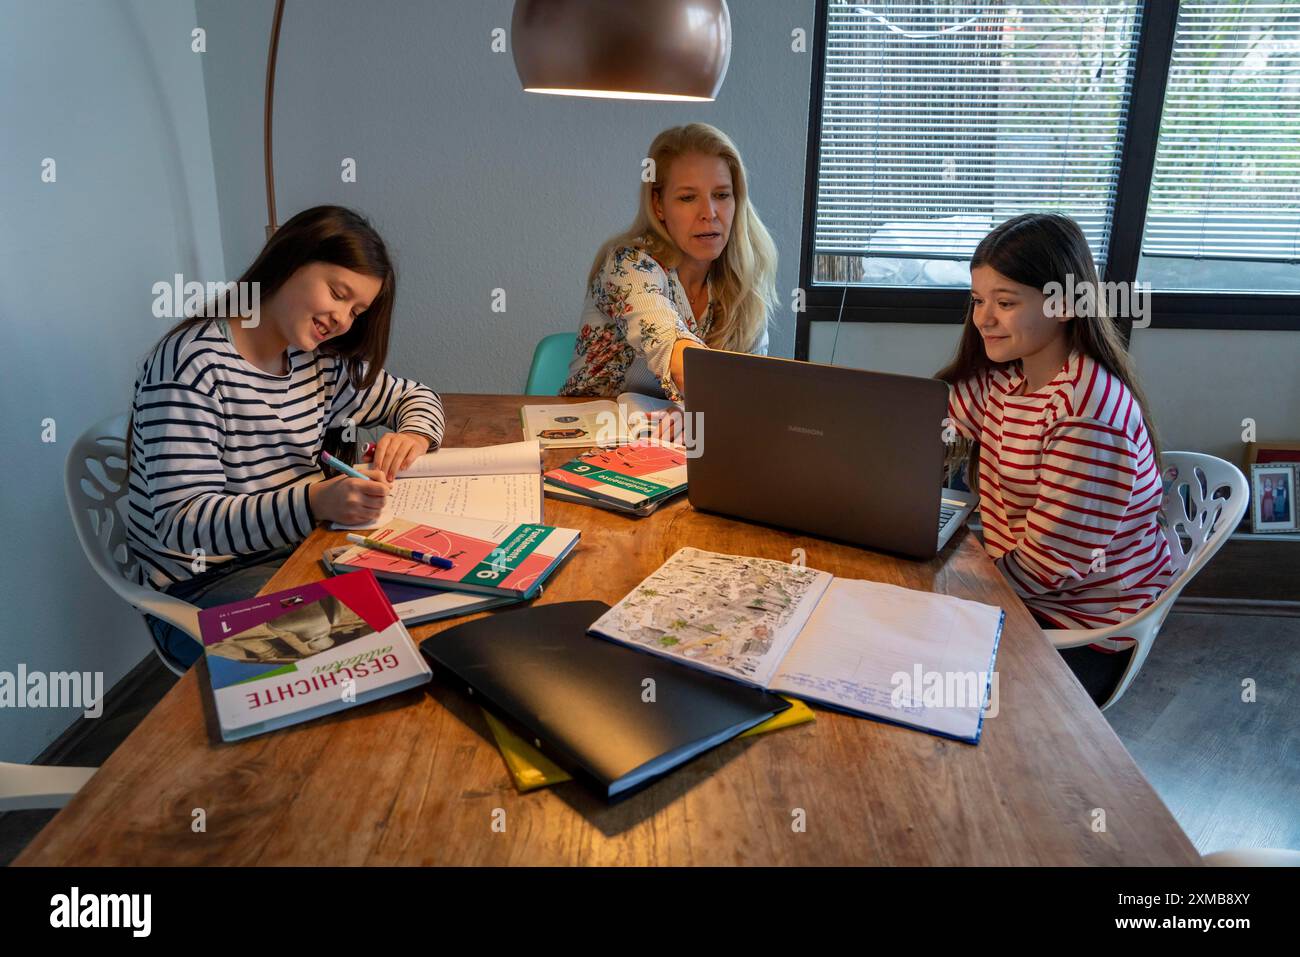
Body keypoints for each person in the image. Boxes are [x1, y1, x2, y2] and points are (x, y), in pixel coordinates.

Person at [125, 205, 444, 669]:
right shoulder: (190, 364)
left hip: (292, 556)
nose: (342, 319)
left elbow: (418, 396)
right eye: (337, 294)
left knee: (423, 604)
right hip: (199, 588)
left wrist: (414, 432)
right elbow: (182, 521)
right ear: (290, 260)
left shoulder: (314, 361)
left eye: (356, 311)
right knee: (372, 648)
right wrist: (313, 502)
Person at [937, 213, 1174, 706]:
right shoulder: (1009, 377)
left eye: (1005, 303)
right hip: (1027, 599)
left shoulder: (1087, 413)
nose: (983, 318)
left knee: (913, 675)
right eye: (978, 300)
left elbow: (1049, 565)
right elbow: (931, 426)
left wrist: (947, 590)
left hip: (1081, 632)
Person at [560, 122, 777, 404]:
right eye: (688, 197)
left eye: (722, 195)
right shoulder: (627, 265)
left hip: (682, 440)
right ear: (659, 204)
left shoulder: (742, 282)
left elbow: (754, 393)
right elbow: (667, 343)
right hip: (594, 433)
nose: (709, 213)